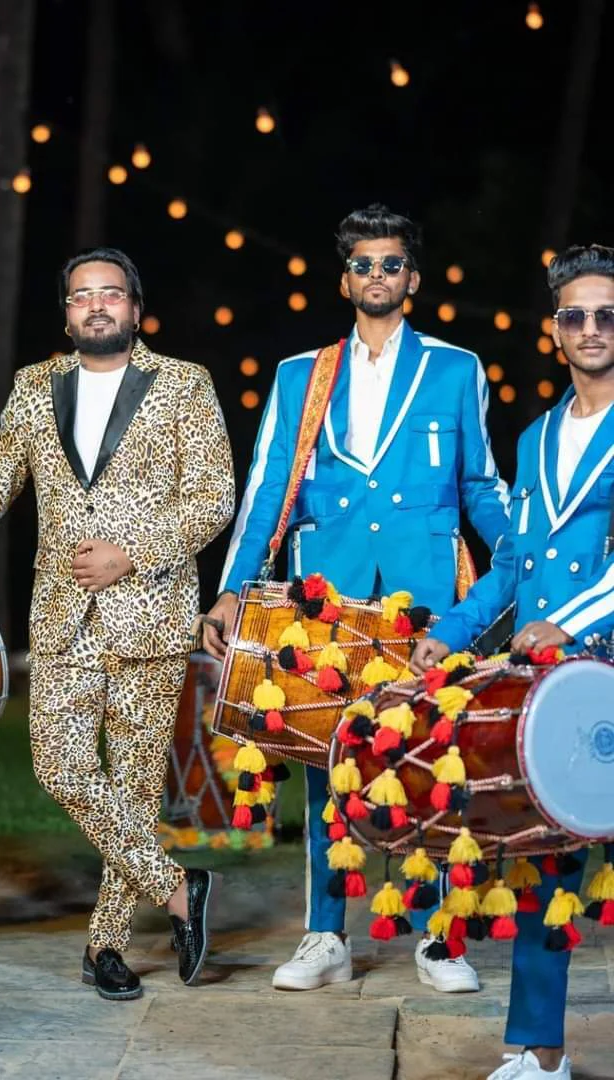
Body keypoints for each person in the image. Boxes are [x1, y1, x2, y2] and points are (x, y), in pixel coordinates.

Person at [0, 247, 234, 999]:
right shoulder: (35, 386)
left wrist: (131, 553)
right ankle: (177, 887)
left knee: (133, 791)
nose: (96, 305)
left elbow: (213, 498)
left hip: (151, 614)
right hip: (64, 617)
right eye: (81, 296)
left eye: (110, 293)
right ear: (66, 314)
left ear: (136, 307)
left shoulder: (185, 383)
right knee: (60, 767)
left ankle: (106, 946)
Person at [203, 204, 510, 993]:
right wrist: (233, 589)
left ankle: (437, 939)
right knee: (324, 760)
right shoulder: (301, 376)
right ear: (345, 281)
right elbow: (267, 490)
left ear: (412, 278)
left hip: (426, 600)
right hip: (326, 598)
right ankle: (325, 935)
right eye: (364, 264)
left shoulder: (456, 369)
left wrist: (523, 559)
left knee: (428, 758)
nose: (377, 275)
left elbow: (480, 484)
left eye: (391, 263)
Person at [411, 244, 614, 1080]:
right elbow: (513, 564)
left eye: (607, 314)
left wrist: (569, 623)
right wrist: (454, 633)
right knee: (542, 861)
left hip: (602, 665)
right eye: (576, 316)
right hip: (550, 691)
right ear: (555, 331)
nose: (592, 328)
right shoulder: (535, 438)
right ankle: (538, 1051)